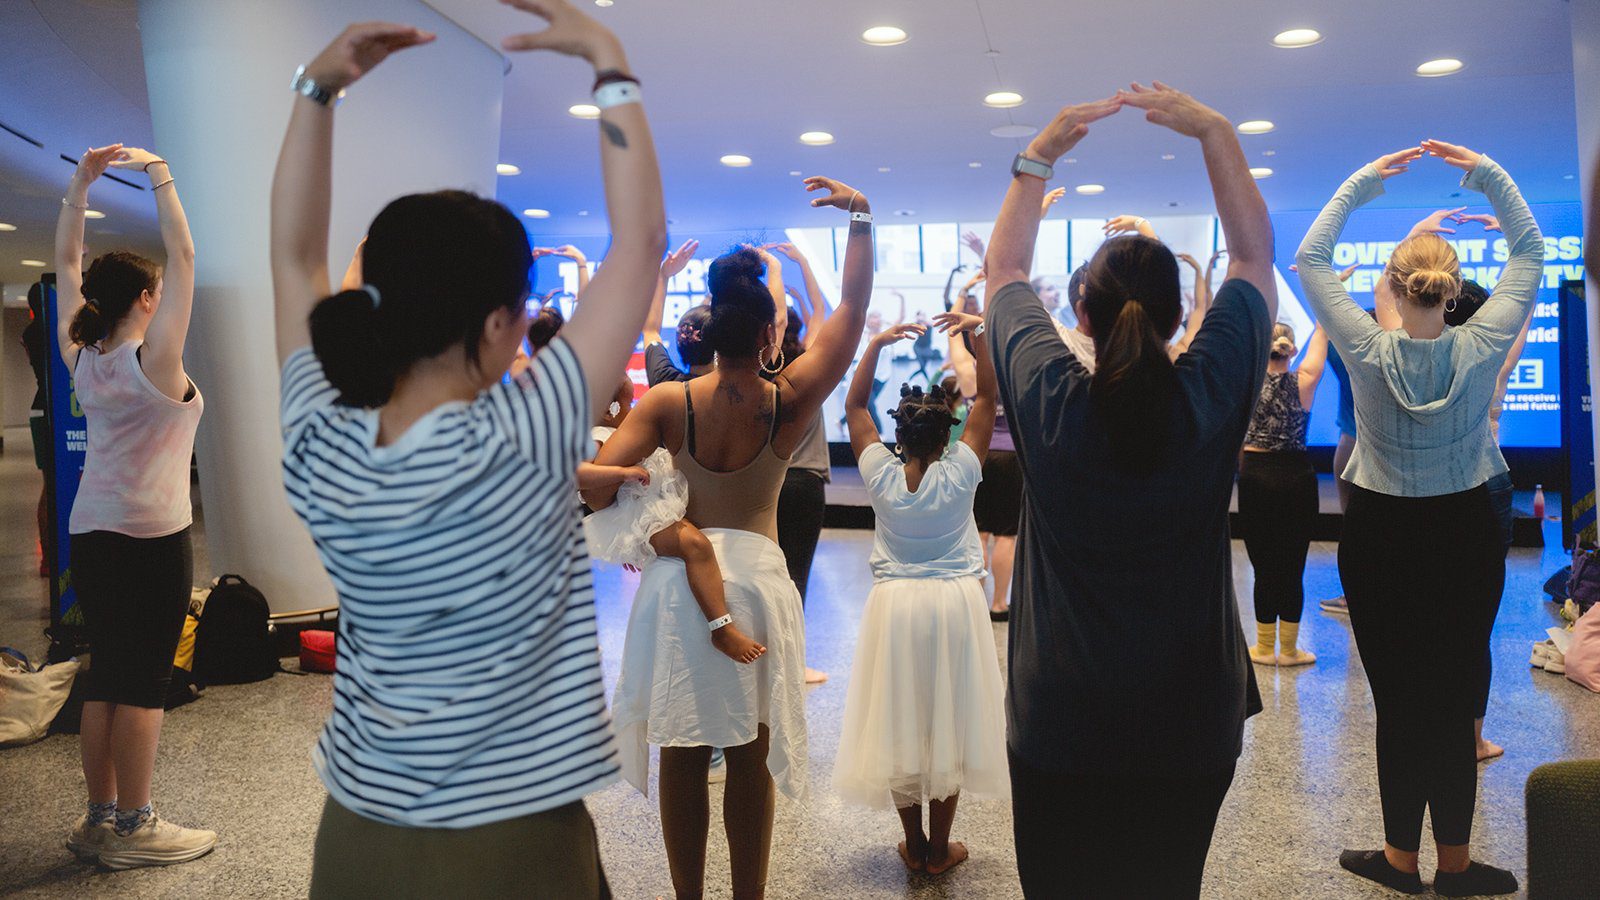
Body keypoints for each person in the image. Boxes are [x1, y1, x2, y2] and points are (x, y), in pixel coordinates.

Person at [270, 4, 664, 896]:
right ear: (496, 324)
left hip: (359, 839)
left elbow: (293, 258)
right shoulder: (525, 436)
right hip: (512, 845)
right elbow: (638, 245)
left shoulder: (321, 434)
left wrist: (317, 89)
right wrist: (608, 62)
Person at [988, 83, 1276, 898]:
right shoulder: (1212, 393)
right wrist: (1216, 129)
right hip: (1190, 715)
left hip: (1062, 717)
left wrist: (1036, 159)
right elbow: (1255, 260)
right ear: (1183, 313)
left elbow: (1005, 269)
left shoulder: (1049, 401)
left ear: (1081, 312)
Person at [588, 176, 873, 900]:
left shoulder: (665, 401)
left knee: (681, 753)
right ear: (770, 333)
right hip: (759, 582)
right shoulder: (791, 399)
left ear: (709, 332)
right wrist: (861, 219)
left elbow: (590, 487)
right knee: (751, 752)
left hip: (675, 585)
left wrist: (618, 478)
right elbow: (850, 312)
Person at [1297, 139, 1538, 897]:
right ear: (1454, 287)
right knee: (1454, 691)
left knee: (1397, 701)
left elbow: (1310, 257)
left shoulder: (1364, 347)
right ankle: (1457, 866)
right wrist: (1487, 172)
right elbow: (1529, 248)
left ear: (1393, 289)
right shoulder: (1484, 340)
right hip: (1466, 529)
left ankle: (1401, 860)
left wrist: (1366, 180)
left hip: (1380, 534)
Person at [53, 142, 211, 868]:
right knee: (143, 679)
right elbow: (183, 252)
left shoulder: (82, 358)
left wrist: (79, 188)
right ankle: (137, 827)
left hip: (92, 532)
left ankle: (98, 821)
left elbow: (65, 267)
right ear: (146, 300)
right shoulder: (158, 361)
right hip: (152, 539)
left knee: (107, 674)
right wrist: (159, 173)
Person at [832, 311, 1008, 877]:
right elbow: (989, 398)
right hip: (955, 603)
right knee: (949, 723)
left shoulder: (880, 473)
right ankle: (940, 849)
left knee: (902, 724)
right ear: (947, 430)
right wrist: (977, 335)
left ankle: (912, 843)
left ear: (900, 433)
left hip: (896, 606)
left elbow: (854, 408)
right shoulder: (962, 470)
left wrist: (876, 344)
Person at [1239, 321, 1327, 666]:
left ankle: (1263, 648)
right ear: (1292, 348)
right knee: (1292, 567)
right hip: (1296, 480)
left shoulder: (1247, 382)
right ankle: (1289, 650)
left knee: (1264, 567)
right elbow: (1323, 331)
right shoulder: (1303, 380)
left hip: (1256, 479)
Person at [22, 283, 49, 577]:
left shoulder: (31, 331)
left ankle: (49, 556)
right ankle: (49, 557)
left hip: (40, 409)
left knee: (50, 485)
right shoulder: (43, 328)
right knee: (52, 486)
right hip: (47, 411)